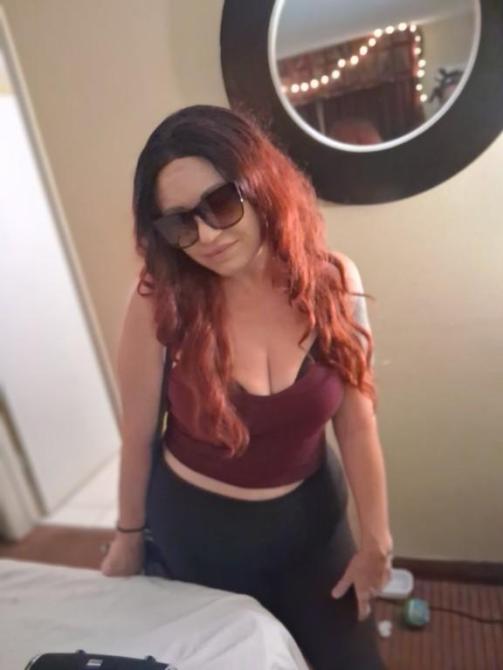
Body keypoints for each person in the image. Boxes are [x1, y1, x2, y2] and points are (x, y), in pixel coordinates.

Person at [101, 104, 392, 669]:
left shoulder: (332, 282)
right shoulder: (158, 301)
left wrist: (377, 540)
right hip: (198, 533)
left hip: (312, 524)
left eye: (220, 203)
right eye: (180, 223)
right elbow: (138, 437)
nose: (206, 235)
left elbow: (357, 423)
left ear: (262, 185)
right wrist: (128, 538)